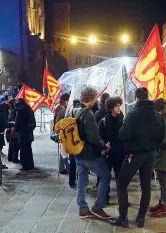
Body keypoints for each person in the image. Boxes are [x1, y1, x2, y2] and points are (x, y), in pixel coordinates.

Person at [109, 87, 165, 228]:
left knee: (122, 182)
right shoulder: (157, 115)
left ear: (137, 99)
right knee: (146, 186)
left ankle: (123, 217)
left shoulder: (133, 115)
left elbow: (123, 135)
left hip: (135, 154)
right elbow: (161, 137)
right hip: (150, 154)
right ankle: (141, 218)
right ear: (148, 97)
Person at [73, 87, 111, 220]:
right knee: (106, 176)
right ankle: (98, 207)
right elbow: (93, 137)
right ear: (91, 98)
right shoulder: (87, 113)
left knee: (82, 180)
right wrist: (104, 145)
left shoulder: (74, 110)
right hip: (88, 153)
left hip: (76, 151)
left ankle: (82, 208)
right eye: (95, 98)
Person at [98, 96, 125, 204]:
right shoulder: (103, 122)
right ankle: (104, 199)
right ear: (110, 108)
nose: (119, 108)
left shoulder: (123, 121)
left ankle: (122, 199)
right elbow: (99, 138)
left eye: (119, 106)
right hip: (108, 155)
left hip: (120, 154)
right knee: (105, 177)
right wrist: (104, 148)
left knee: (121, 178)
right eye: (116, 106)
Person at [14, 98, 36, 171]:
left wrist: (16, 129)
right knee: (28, 149)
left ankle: (25, 165)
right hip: (29, 132)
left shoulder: (20, 110)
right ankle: (30, 164)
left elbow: (17, 122)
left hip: (22, 132)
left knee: (23, 149)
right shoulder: (29, 109)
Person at [54, 93, 70, 174]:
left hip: (61, 131)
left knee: (63, 150)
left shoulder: (59, 106)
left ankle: (63, 168)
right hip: (62, 132)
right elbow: (60, 121)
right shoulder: (62, 108)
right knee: (64, 150)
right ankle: (65, 167)